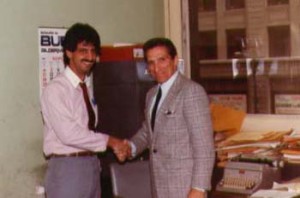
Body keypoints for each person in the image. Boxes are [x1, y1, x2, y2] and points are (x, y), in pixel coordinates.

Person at [117, 38, 215, 198]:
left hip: (185, 187)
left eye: (162, 60)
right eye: (151, 62)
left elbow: (204, 146)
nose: (156, 68)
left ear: (175, 60)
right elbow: (149, 132)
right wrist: (131, 147)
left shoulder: (191, 92)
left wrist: (199, 188)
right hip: (159, 186)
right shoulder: (151, 94)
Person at [41, 23, 126, 198]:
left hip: (92, 165)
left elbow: (88, 129)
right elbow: (69, 134)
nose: (90, 56)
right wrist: (111, 141)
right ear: (69, 53)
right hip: (67, 169)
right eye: (83, 50)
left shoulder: (85, 87)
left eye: (93, 51)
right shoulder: (56, 89)